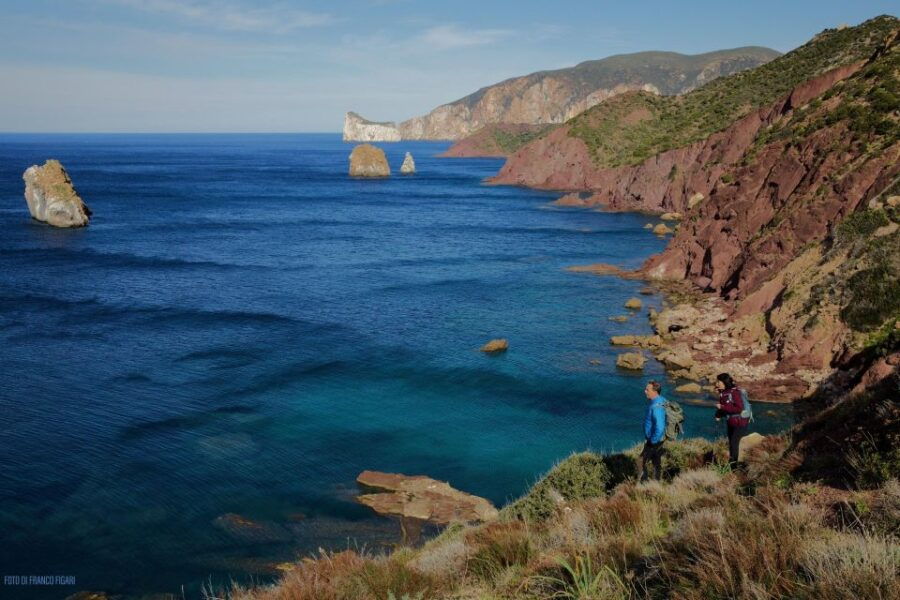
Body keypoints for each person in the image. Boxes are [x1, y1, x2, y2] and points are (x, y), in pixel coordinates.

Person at [715, 372, 750, 468]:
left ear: (724, 382)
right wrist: (718, 415)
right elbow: (723, 408)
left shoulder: (734, 392)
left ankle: (733, 468)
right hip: (731, 422)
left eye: (718, 381)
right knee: (731, 444)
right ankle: (732, 466)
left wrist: (722, 407)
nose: (717, 383)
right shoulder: (723, 393)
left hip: (740, 422)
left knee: (734, 444)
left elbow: (739, 408)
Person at [640, 380, 667, 481]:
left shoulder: (656, 407)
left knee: (640, 461)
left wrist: (652, 441)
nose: (645, 391)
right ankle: (656, 482)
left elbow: (660, 427)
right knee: (656, 461)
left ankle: (643, 485)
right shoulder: (662, 400)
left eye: (647, 390)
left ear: (654, 392)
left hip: (655, 439)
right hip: (660, 438)